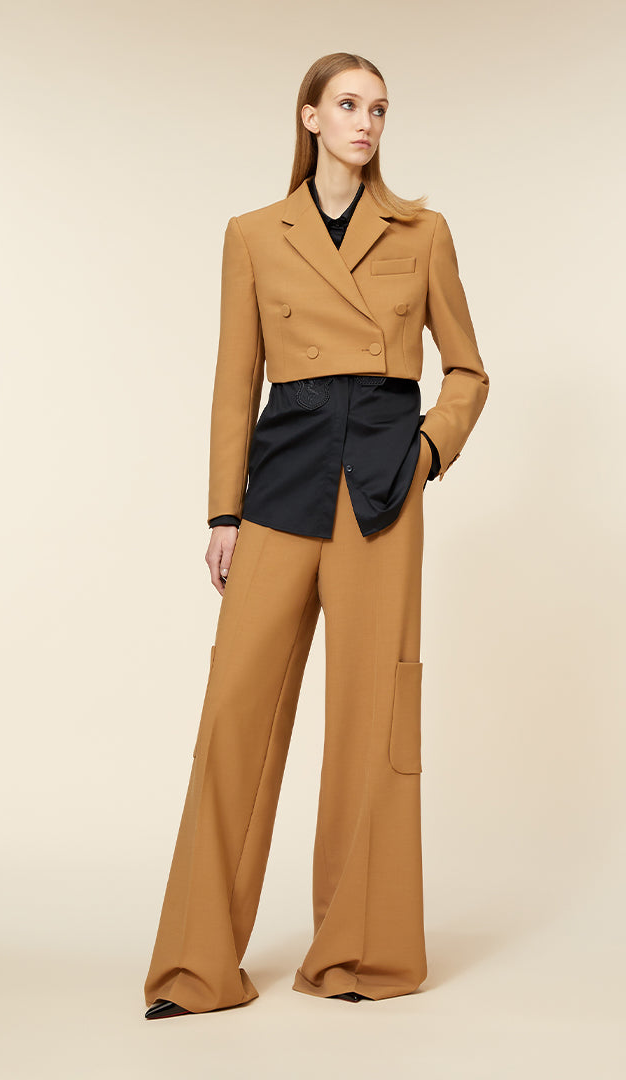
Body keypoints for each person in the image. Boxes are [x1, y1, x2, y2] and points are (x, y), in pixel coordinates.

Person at [142, 52, 489, 1019]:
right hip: (283, 481)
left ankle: (359, 955)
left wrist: (426, 452)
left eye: (378, 108)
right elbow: (234, 380)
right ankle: (196, 967)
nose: (366, 122)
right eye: (347, 104)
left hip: (381, 489)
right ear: (309, 117)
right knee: (235, 713)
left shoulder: (422, 233)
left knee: (372, 719)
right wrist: (223, 511)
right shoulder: (254, 234)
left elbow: (467, 370)